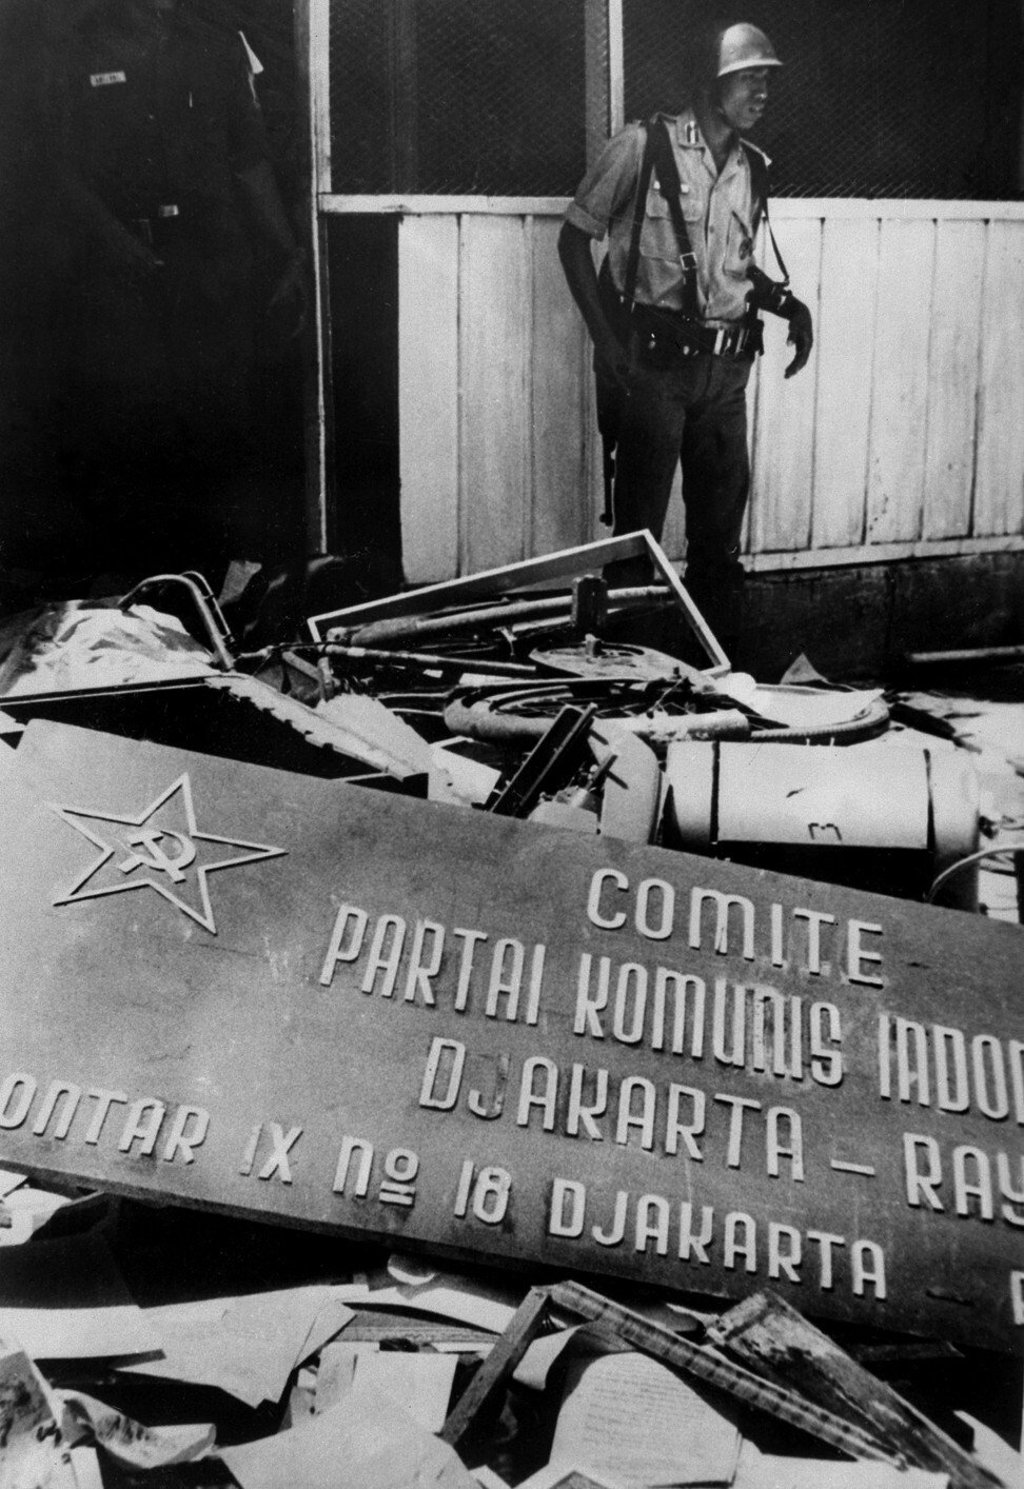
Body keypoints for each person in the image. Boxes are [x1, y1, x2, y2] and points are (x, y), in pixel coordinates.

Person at [558, 20, 813, 653]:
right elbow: (572, 243)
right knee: (635, 545)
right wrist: (607, 345)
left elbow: (731, 267)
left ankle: (722, 676)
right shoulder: (642, 148)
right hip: (653, 374)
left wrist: (789, 305)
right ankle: (624, 674)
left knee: (719, 545)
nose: (762, 92)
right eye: (749, 78)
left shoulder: (753, 168)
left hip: (726, 379)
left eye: (766, 80)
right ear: (712, 83)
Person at [44, 0, 306, 584]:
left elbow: (249, 159)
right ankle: (139, 590)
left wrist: (289, 252)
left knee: (216, 420)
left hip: (210, 263)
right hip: (121, 271)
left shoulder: (212, 42)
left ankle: (210, 589)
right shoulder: (82, 44)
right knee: (133, 426)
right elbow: (58, 170)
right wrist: (117, 245)